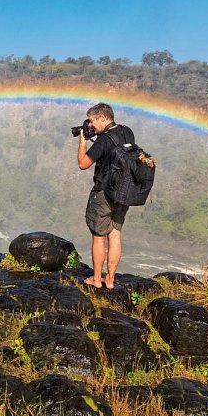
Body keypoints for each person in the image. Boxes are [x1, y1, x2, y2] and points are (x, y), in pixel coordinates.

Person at [77, 103, 134, 289]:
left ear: (103, 117)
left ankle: (96, 279)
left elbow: (83, 164)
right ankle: (110, 280)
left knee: (99, 236)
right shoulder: (127, 132)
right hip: (124, 193)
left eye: (92, 121)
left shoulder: (103, 140)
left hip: (103, 193)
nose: (91, 125)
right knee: (115, 235)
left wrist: (83, 141)